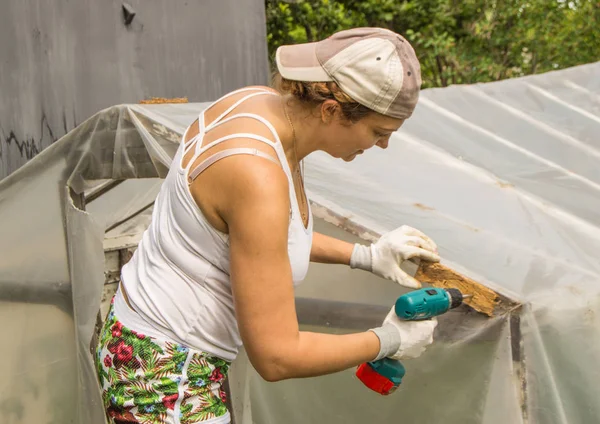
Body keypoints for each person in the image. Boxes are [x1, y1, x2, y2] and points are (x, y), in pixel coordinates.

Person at [95, 27, 441, 424]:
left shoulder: (258, 105)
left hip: (141, 335)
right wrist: (389, 340)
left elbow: (259, 240)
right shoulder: (255, 175)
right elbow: (276, 356)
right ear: (331, 110)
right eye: (379, 132)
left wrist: (365, 255)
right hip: (165, 376)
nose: (382, 145)